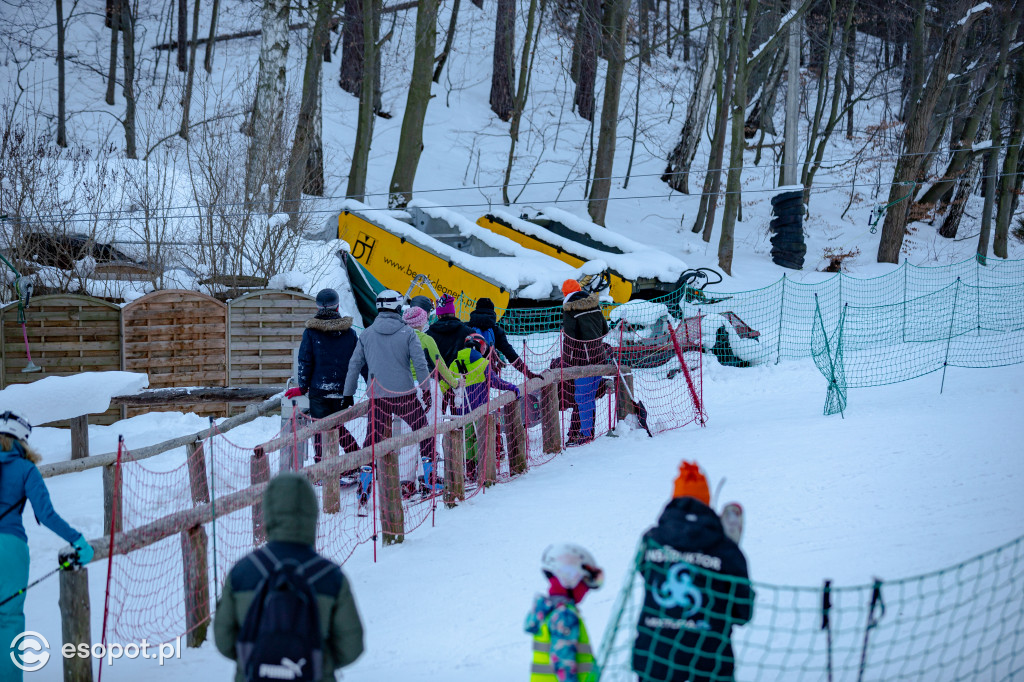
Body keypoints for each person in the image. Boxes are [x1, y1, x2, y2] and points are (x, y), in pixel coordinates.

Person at [214, 473, 364, 681]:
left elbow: (224, 639)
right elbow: (351, 645)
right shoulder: (331, 576)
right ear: (312, 513)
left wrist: (254, 658)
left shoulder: (243, 571)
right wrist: (319, 662)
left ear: (268, 513)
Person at [631, 461, 753, 682]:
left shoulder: (651, 540)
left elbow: (645, 571)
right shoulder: (724, 549)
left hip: (653, 659)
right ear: (707, 502)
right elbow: (743, 613)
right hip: (709, 661)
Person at [0, 410, 93, 682]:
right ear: (23, 439)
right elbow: (46, 514)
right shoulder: (26, 469)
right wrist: (77, 539)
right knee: (9, 619)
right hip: (11, 550)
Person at [343, 289, 437, 507]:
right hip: (405, 395)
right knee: (423, 432)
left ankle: (364, 486)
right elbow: (421, 365)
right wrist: (426, 390)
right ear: (397, 307)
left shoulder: (366, 334)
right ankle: (431, 479)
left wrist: (348, 394)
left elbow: (354, 365)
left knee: (372, 439)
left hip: (378, 397)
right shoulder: (408, 333)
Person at [285, 288, 364, 462]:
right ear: (337, 307)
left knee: (320, 429)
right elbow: (359, 361)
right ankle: (356, 459)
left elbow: (304, 361)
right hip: (342, 390)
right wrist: (368, 384)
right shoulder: (350, 333)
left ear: (318, 308)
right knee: (337, 427)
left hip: (318, 390)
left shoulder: (311, 333)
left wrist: (303, 387)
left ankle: (322, 465)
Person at [438, 333, 521, 480]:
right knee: (480, 438)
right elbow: (496, 382)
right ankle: (480, 467)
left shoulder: (453, 364)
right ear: (480, 347)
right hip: (481, 410)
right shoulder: (483, 363)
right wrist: (512, 387)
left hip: (462, 412)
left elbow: (443, 386)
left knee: (468, 439)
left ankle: (469, 470)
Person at [524, 543, 604, 682]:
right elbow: (563, 662)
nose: (586, 590)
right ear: (569, 578)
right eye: (584, 582)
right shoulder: (564, 615)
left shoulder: (547, 611)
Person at [560, 280, 609, 446]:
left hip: (583, 360)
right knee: (589, 396)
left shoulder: (570, 310)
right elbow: (605, 329)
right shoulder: (594, 305)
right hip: (600, 356)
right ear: (580, 290)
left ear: (565, 294)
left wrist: (566, 363)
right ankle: (588, 432)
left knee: (582, 397)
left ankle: (585, 434)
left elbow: (570, 339)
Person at [467, 297, 542, 380]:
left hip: (465, 375)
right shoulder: (496, 331)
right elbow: (511, 354)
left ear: (476, 310)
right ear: (492, 311)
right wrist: (528, 373)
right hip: (487, 376)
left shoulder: (466, 328)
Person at [403, 305, 459, 393]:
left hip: (401, 386)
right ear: (421, 322)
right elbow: (440, 364)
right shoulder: (426, 339)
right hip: (422, 387)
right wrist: (455, 383)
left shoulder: (398, 338)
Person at [426, 295, 474, 367]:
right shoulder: (468, 332)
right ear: (454, 314)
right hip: (461, 374)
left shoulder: (428, 334)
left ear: (438, 316)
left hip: (435, 375)